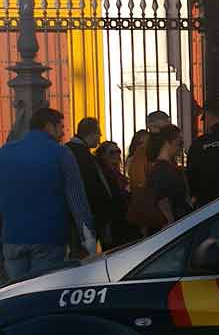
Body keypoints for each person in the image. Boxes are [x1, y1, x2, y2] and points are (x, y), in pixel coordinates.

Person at [0, 107, 96, 280]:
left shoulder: (5, 152)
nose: (63, 133)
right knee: (42, 291)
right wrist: (87, 235)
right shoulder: (61, 153)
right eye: (61, 127)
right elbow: (76, 198)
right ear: (49, 127)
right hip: (48, 236)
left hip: (13, 236)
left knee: (15, 292)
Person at [67, 117, 112, 248]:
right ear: (91, 134)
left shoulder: (73, 151)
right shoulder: (82, 155)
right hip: (86, 217)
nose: (100, 138)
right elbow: (92, 187)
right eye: (99, 134)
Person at [96, 141, 139, 248]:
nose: (116, 154)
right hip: (113, 222)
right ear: (102, 155)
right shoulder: (103, 175)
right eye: (112, 152)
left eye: (118, 151)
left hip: (124, 221)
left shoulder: (117, 174)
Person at [147, 125, 191, 225]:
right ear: (167, 143)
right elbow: (163, 201)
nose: (182, 146)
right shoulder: (162, 169)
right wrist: (171, 224)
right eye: (179, 142)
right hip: (175, 223)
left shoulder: (167, 167)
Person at [128, 111, 171, 190]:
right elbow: (139, 185)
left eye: (168, 129)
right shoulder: (142, 153)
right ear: (150, 127)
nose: (166, 133)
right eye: (160, 129)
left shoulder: (168, 148)